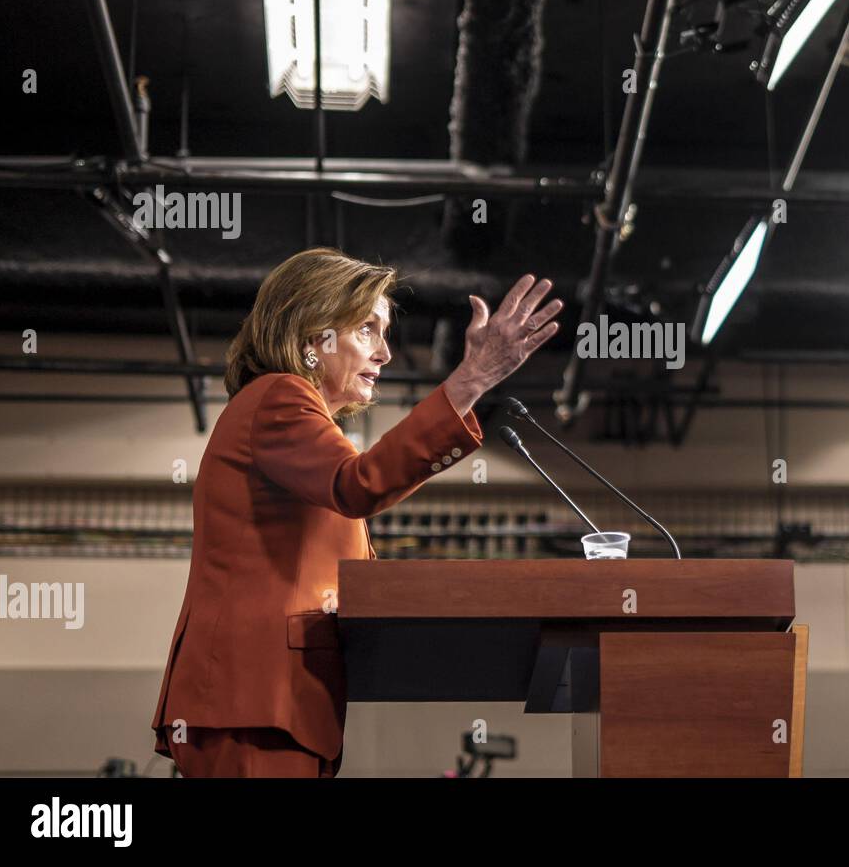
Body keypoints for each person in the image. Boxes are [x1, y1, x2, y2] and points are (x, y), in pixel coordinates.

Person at [149, 247, 562, 777]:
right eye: (367, 328)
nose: (385, 353)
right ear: (311, 333)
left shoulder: (293, 424)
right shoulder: (278, 397)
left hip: (270, 706)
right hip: (254, 698)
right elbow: (360, 483)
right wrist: (471, 380)